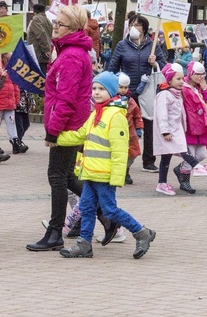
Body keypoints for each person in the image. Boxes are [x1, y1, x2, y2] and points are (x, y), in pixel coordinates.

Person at [56, 72, 156, 259]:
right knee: (86, 208)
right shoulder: (96, 113)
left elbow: (119, 150)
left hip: (104, 174)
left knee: (109, 210)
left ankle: (142, 233)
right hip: (91, 173)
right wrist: (55, 138)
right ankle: (84, 244)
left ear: (111, 91)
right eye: (94, 88)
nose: (96, 92)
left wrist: (117, 176)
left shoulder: (116, 115)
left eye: (101, 89)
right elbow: (80, 135)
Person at [28, 5, 93, 252]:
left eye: (60, 24)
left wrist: (53, 131)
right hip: (70, 124)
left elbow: (66, 99)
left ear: (74, 28)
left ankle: (55, 231)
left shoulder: (72, 56)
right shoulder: (68, 52)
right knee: (67, 177)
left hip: (67, 126)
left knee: (57, 177)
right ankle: (108, 218)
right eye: (55, 23)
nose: (54, 27)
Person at [107, 14, 167, 173]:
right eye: (132, 24)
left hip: (147, 92)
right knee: (126, 127)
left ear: (145, 29)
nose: (134, 27)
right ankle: (124, 163)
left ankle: (149, 160)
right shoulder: (122, 45)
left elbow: (164, 67)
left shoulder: (152, 45)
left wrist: (155, 63)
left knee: (149, 126)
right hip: (128, 92)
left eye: (138, 25)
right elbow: (112, 68)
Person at [153, 63, 202, 195]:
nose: (181, 81)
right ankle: (196, 166)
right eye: (178, 79)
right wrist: (165, 131)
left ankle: (162, 183)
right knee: (182, 149)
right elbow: (161, 114)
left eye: (182, 78)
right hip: (169, 131)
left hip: (176, 129)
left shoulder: (176, 94)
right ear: (169, 80)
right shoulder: (165, 95)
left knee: (166, 157)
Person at [180, 62, 207, 178]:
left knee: (201, 155)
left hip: (201, 126)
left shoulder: (201, 88)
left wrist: (205, 89)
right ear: (191, 73)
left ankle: (179, 169)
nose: (201, 77)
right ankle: (184, 180)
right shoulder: (183, 87)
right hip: (189, 126)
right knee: (190, 153)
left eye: (203, 74)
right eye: (198, 74)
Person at [0, 53, 25, 154]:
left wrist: (16, 99)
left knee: (11, 122)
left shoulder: (11, 65)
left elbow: (15, 84)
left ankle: (15, 142)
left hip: (9, 101)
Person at [117, 73, 143, 185]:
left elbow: (137, 115)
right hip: (116, 132)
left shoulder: (131, 101)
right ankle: (119, 173)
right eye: (121, 87)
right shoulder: (111, 100)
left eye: (125, 87)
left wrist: (138, 128)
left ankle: (126, 170)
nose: (123, 90)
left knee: (131, 154)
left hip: (130, 133)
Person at [27, 3, 53, 73]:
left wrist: (45, 49)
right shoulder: (47, 20)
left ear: (34, 11)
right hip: (43, 55)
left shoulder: (36, 19)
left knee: (37, 78)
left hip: (38, 53)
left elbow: (41, 34)